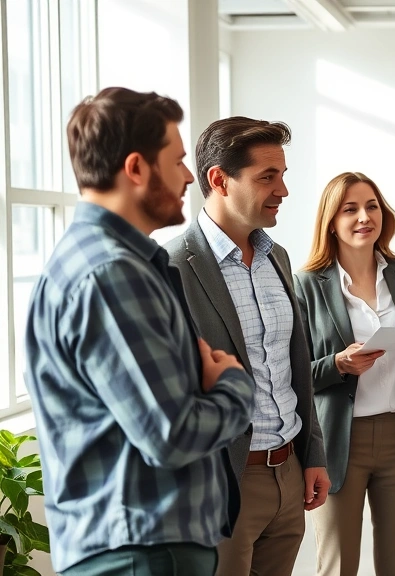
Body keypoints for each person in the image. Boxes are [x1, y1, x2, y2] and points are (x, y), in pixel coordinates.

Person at [24, 87, 254, 575]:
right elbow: (171, 435)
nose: (190, 176)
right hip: (141, 553)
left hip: (144, 548)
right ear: (135, 169)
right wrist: (235, 386)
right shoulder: (111, 275)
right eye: (176, 161)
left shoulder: (117, 264)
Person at [166, 117, 328, 576]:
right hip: (222, 484)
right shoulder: (171, 268)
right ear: (219, 180)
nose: (283, 190)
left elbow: (292, 364)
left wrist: (310, 455)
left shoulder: (277, 256)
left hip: (289, 472)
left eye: (283, 175)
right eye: (267, 176)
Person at [293, 172, 395, 576]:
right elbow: (291, 374)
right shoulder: (307, 285)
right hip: (336, 441)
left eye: (372, 206)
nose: (364, 216)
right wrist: (338, 364)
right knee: (337, 565)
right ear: (331, 221)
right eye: (350, 209)